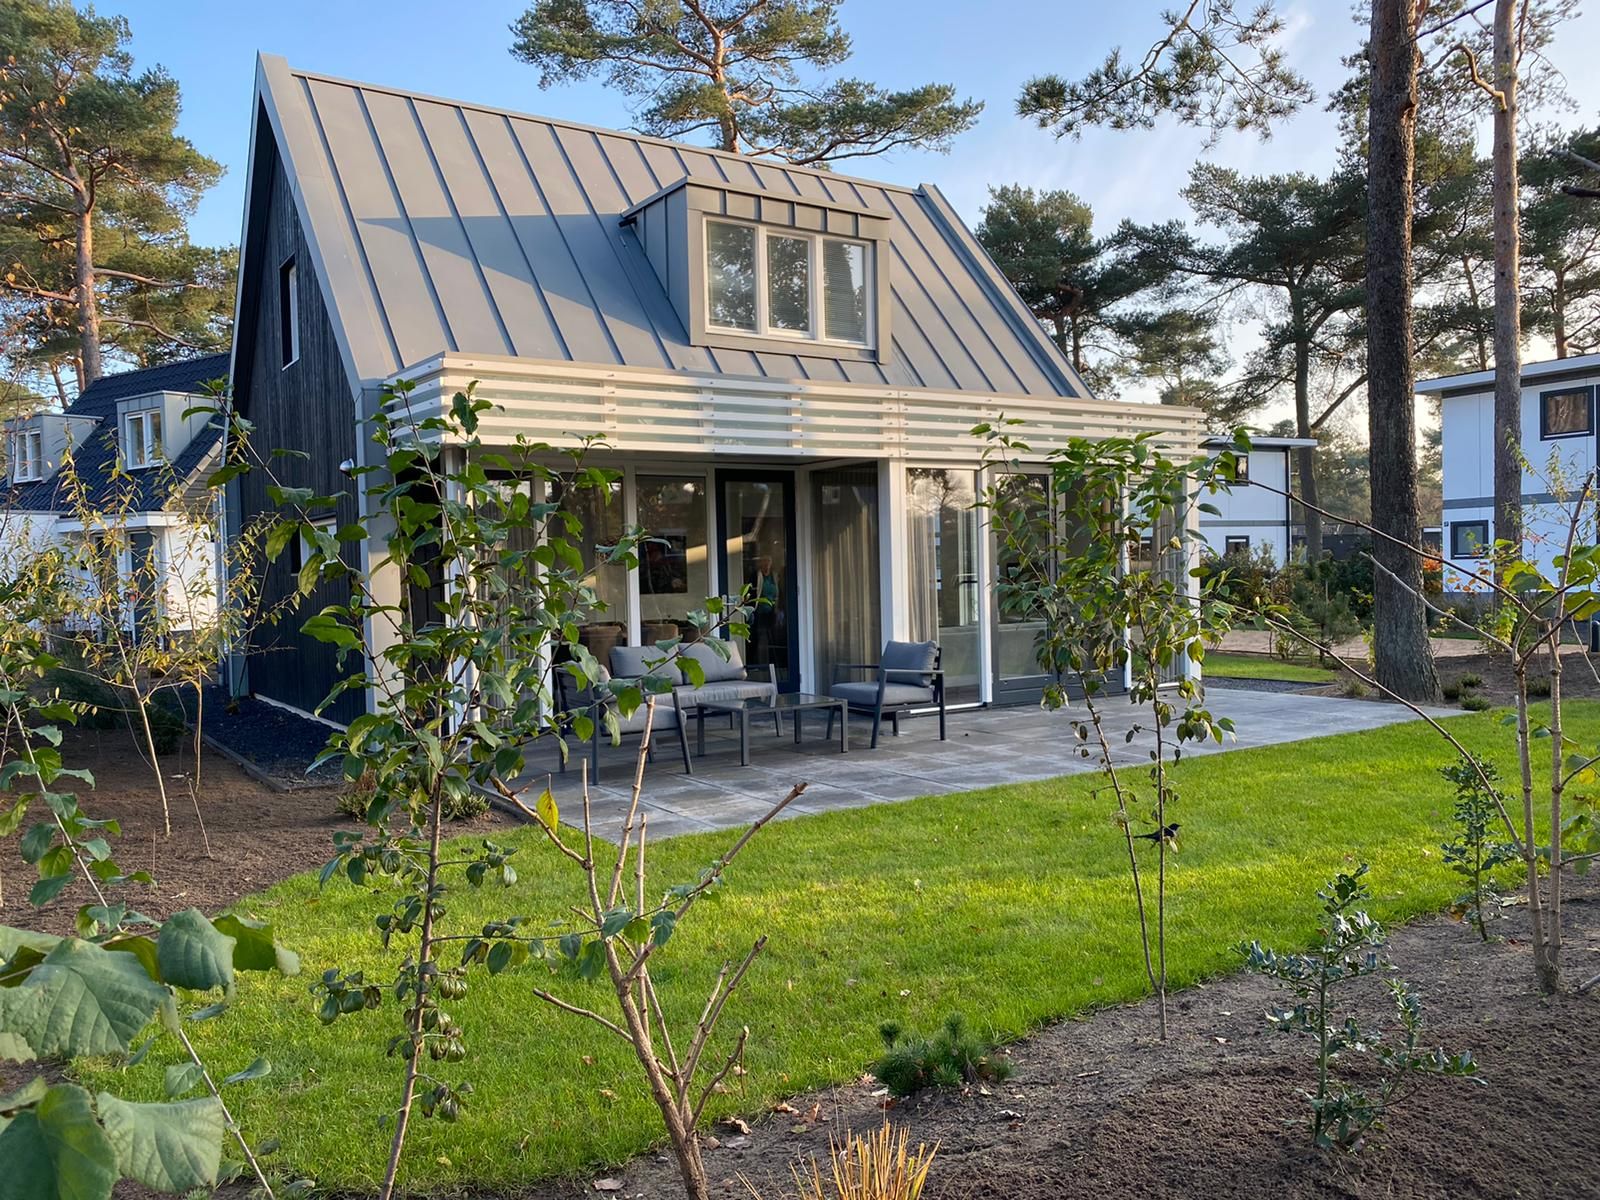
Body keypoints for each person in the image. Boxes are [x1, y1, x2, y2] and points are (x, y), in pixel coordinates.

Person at [750, 553, 780, 666]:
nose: (766, 564)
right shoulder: (756, 576)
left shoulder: (774, 576)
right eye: (764, 561)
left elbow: (778, 593)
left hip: (771, 612)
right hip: (758, 611)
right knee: (755, 639)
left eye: (768, 561)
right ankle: (753, 664)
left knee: (773, 638)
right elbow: (751, 592)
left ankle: (774, 665)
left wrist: (778, 608)